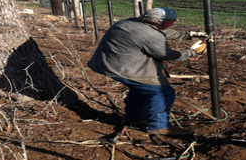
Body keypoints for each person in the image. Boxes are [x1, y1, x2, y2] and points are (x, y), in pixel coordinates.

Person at [88, 7, 207, 136]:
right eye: (172, 22)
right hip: (124, 68)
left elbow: (157, 33)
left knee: (139, 90)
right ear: (167, 23)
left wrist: (188, 34)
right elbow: (167, 55)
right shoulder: (151, 36)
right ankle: (159, 126)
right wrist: (193, 52)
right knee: (163, 92)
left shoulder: (129, 23)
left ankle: (134, 119)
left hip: (106, 63)